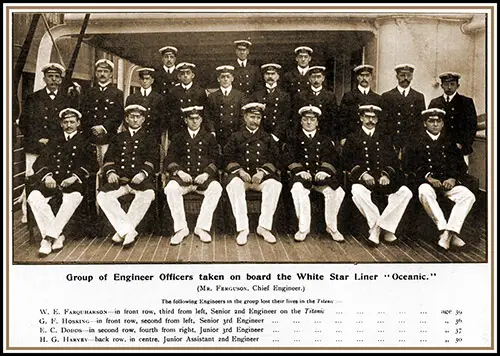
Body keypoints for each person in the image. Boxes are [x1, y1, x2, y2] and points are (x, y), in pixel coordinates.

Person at [404, 108, 476, 250]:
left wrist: (453, 179)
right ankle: (443, 229)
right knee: (424, 191)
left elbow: (461, 166)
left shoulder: (449, 142)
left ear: (443, 124)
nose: (435, 124)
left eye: (439, 121)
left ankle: (448, 233)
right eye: (431, 121)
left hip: (448, 184)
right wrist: (428, 178)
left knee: (468, 196)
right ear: (425, 123)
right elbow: (408, 166)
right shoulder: (415, 142)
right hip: (427, 184)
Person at [27, 108, 95, 256]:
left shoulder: (85, 142)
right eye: (65, 122)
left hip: (73, 183)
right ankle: (57, 236)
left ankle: (47, 240)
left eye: (72, 122)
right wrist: (47, 176)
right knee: (33, 197)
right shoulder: (54, 140)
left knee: (71, 200)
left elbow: (91, 164)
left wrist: (74, 177)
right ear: (61, 124)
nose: (69, 125)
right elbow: (39, 163)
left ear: (78, 123)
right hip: (52, 182)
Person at [342, 105, 413, 245]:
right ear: (361, 118)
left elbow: (393, 161)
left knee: (406, 192)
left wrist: (386, 175)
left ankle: (377, 228)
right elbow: (345, 161)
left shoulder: (385, 137)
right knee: (356, 191)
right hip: (363, 180)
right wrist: (362, 174)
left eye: (373, 117)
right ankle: (385, 229)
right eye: (367, 116)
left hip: (383, 180)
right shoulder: (352, 137)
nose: (370, 120)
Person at [18, 63, 74, 223]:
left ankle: (54, 210)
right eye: (50, 76)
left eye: (57, 77)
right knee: (31, 177)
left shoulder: (66, 99)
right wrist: (37, 138)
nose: (54, 80)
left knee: (54, 174)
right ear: (44, 78)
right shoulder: (33, 98)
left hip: (56, 147)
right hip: (35, 146)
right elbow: (24, 123)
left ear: (61, 79)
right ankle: (26, 213)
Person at [96, 104, 157, 247]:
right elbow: (109, 158)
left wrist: (143, 173)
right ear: (127, 119)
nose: (135, 120)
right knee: (103, 197)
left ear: (143, 119)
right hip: (120, 180)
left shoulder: (149, 137)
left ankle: (121, 232)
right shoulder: (118, 138)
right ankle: (128, 231)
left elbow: (153, 158)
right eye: (132, 117)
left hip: (140, 181)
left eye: (138, 117)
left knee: (147, 195)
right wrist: (111, 172)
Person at [223, 102, 282, 246]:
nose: (255, 121)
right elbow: (226, 158)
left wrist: (262, 172)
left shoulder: (267, 138)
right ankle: (243, 228)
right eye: (251, 117)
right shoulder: (235, 137)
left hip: (261, 178)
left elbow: (276, 159)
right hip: (241, 177)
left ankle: (264, 227)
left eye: (258, 117)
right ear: (244, 117)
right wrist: (240, 171)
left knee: (274, 185)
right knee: (234, 185)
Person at [285, 105, 345, 242]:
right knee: (298, 190)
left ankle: (332, 227)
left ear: (317, 122)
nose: (309, 122)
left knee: (337, 191)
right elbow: (287, 158)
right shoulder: (293, 138)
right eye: (305, 119)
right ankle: (303, 228)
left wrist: (325, 170)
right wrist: (300, 171)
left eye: (312, 120)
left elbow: (333, 158)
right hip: (302, 177)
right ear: (301, 121)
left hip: (321, 178)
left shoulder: (325, 140)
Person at [164, 106, 223, 245]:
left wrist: (207, 174)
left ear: (201, 119)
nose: (194, 121)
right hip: (183, 179)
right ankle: (181, 228)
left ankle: (202, 227)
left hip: (203, 179)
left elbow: (216, 159)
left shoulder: (209, 138)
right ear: (186, 120)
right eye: (191, 118)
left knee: (216, 188)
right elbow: (169, 159)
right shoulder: (178, 137)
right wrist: (179, 172)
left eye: (197, 118)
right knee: (171, 188)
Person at [80, 59, 124, 168]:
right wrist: (93, 128)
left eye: (105, 71)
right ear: (96, 73)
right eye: (99, 71)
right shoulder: (89, 92)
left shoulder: (117, 93)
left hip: (109, 136)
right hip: (91, 136)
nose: (102, 74)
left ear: (111, 74)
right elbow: (83, 113)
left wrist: (104, 127)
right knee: (90, 166)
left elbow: (118, 115)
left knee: (108, 165)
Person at [428, 72, 478, 167]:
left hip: (459, 148)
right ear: (442, 86)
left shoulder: (466, 102)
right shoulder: (435, 102)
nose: (449, 87)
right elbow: (429, 125)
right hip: (439, 147)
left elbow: (472, 126)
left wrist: (463, 144)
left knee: (460, 175)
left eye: (452, 84)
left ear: (457, 86)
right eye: (446, 84)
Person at [380, 64, 426, 156]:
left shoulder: (418, 97)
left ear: (412, 77)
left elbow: (421, 123)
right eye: (402, 75)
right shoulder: (387, 96)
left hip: (411, 143)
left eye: (408, 75)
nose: (405, 78)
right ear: (397, 76)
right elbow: (382, 122)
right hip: (392, 142)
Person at [338, 64, 383, 145]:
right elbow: (342, 119)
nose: (364, 78)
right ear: (357, 77)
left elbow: (380, 121)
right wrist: (343, 137)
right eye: (362, 75)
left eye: (367, 75)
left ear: (371, 77)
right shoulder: (348, 96)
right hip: (352, 137)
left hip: (371, 137)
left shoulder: (377, 98)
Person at [251, 63, 292, 145]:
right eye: (267, 74)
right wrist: (261, 134)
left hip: (279, 137)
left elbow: (285, 117)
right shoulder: (257, 95)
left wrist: (276, 135)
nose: (270, 76)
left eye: (273, 74)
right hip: (261, 136)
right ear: (264, 76)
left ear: (278, 76)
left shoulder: (284, 96)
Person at [295, 66, 339, 140]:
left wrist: (332, 138)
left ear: (323, 78)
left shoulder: (330, 96)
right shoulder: (301, 96)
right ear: (309, 79)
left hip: (325, 134)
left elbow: (333, 119)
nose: (316, 80)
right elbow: (296, 118)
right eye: (313, 77)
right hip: (306, 134)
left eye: (319, 77)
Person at [126, 67, 166, 148]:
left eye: (147, 79)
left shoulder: (159, 98)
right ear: (139, 80)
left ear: (152, 80)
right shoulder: (132, 98)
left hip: (153, 136)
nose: (144, 81)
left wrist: (156, 133)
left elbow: (163, 120)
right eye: (142, 79)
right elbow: (126, 117)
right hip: (135, 136)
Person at [206, 65, 247, 144]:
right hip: (218, 135)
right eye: (222, 77)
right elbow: (208, 116)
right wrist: (212, 131)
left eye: (228, 77)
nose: (225, 79)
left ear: (232, 79)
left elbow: (243, 116)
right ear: (218, 79)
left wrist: (240, 133)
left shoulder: (240, 95)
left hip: (235, 134)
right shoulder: (212, 96)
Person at [166, 62, 208, 139]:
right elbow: (170, 112)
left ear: (192, 75)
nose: (185, 75)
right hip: (178, 129)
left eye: (188, 73)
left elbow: (205, 112)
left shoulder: (200, 91)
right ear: (179, 76)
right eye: (182, 73)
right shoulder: (173, 91)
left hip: (195, 128)